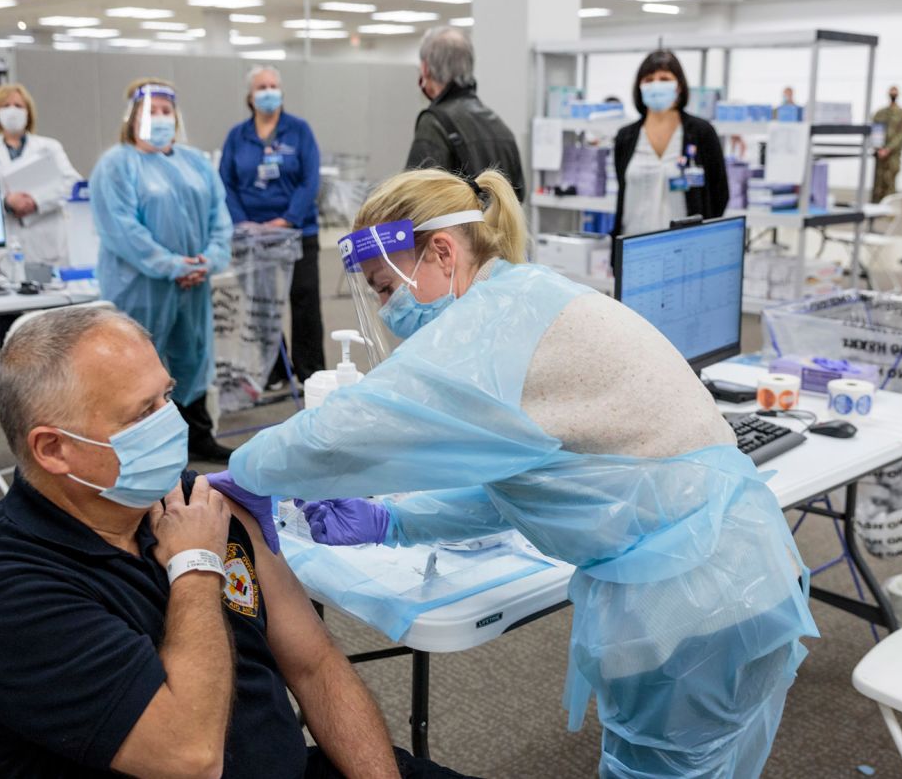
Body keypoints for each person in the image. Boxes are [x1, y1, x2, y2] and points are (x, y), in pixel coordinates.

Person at [227, 167, 818, 778]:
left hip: (686, 609)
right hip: (750, 575)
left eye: (384, 288)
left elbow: (343, 430)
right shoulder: (529, 295)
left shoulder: (491, 328)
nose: (385, 309)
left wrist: (242, 472)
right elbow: (527, 485)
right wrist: (392, 520)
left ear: (441, 251)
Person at [0, 307, 476, 779]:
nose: (170, 424)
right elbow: (191, 757)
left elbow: (314, 663)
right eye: (142, 413)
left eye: (167, 396)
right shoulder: (4, 598)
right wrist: (195, 567)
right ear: (54, 450)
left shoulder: (194, 501)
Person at [90, 78, 234, 462]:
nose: (160, 118)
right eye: (151, 112)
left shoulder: (195, 163)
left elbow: (220, 217)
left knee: (194, 354)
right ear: (133, 117)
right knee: (137, 359)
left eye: (165, 111)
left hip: (194, 282)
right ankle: (137, 446)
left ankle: (197, 435)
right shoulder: (116, 166)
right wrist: (170, 266)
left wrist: (208, 259)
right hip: (140, 285)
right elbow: (121, 229)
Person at [219, 66, 326, 384]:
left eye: (273, 86)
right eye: (261, 87)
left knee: (304, 301)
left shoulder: (299, 130)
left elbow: (310, 180)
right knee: (262, 305)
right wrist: (245, 223)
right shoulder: (237, 137)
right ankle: (274, 372)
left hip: (297, 232)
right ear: (250, 97)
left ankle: (310, 372)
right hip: (252, 237)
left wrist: (286, 220)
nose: (268, 92)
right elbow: (225, 183)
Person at [612, 50, 728, 239]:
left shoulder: (701, 133)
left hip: (686, 247)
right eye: (648, 79)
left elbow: (719, 194)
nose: (656, 84)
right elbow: (623, 190)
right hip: (633, 248)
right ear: (639, 87)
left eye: (664, 79)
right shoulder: (626, 137)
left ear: (679, 86)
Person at [0, 83, 82, 268]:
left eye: (18, 106)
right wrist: (7, 202)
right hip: (2, 250)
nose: (12, 111)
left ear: (28, 112)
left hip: (44, 243)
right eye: (5, 106)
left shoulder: (49, 147)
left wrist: (37, 201)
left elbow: (72, 184)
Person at [406, 27, 525, 202]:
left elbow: (414, 200)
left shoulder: (435, 123)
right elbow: (518, 196)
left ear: (425, 69)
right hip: (500, 230)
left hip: (455, 230)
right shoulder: (501, 128)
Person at [872, 85, 902, 202]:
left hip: (893, 154)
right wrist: (879, 149)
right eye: (891, 91)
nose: (893, 94)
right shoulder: (880, 113)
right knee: (878, 181)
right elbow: (875, 131)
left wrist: (888, 149)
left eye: (895, 91)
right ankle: (877, 208)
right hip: (880, 153)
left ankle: (890, 209)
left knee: (890, 180)